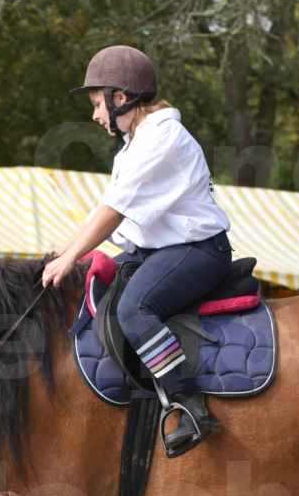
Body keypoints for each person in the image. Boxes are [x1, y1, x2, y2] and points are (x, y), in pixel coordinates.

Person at [41, 44, 233, 456]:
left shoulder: (161, 139)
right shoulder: (135, 141)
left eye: (97, 104)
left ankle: (189, 404)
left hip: (198, 251)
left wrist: (69, 256)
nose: (94, 115)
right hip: (158, 250)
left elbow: (111, 212)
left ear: (120, 98)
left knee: (133, 310)